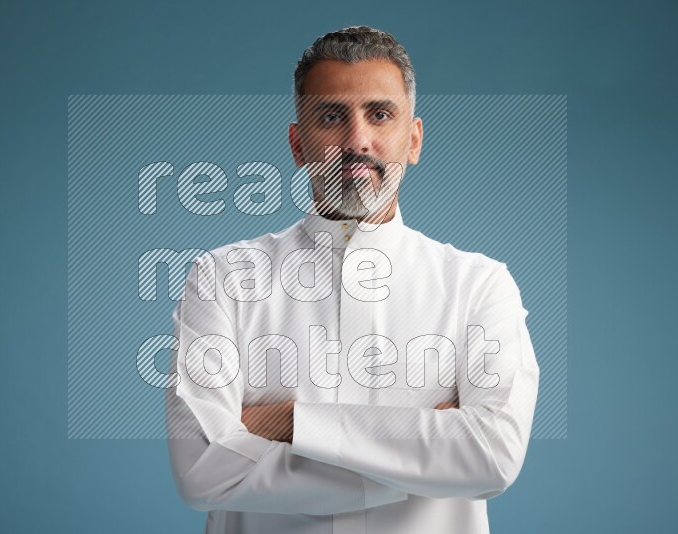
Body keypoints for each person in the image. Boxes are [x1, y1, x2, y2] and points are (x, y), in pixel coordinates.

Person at [166, 25, 540, 534]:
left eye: (380, 114)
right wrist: (421, 463)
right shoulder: (224, 278)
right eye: (330, 116)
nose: (356, 141)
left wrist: (291, 421)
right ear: (298, 145)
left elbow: (492, 457)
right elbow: (201, 471)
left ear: (413, 140)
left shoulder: (479, 285)